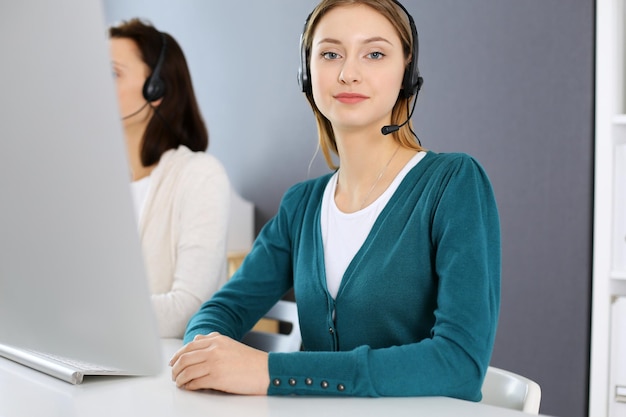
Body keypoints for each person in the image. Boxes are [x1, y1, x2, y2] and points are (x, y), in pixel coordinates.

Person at [170, 0, 500, 400]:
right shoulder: (301, 206)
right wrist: (206, 350)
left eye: (375, 54)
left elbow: (460, 365)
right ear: (306, 75)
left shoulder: (453, 184)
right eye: (330, 54)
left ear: (407, 75)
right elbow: (221, 309)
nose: (348, 73)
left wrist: (272, 371)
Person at [109, 19, 231, 338]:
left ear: (156, 90)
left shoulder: (200, 175)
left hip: (166, 375)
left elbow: (188, 310)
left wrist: (85, 316)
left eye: (111, 72)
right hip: (104, 359)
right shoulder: (99, 187)